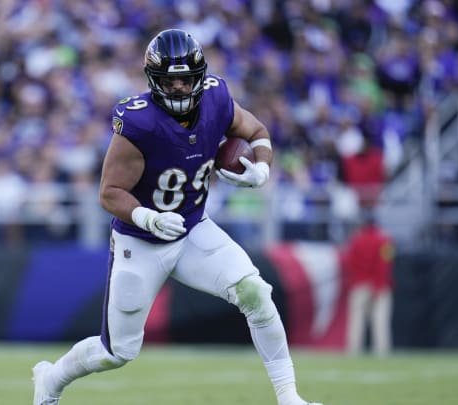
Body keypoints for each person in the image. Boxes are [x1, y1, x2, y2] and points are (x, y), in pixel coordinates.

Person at [32, 29, 322, 405]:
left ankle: (288, 397)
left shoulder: (217, 97)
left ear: (201, 75)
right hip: (142, 241)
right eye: (171, 81)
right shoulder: (140, 123)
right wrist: (148, 218)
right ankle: (50, 380)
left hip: (192, 228)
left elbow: (257, 130)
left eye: (188, 79)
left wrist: (262, 169)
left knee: (255, 292)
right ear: (154, 81)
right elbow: (108, 193)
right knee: (117, 351)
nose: (182, 88)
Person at [342, 210, 395, 356]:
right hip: (380, 285)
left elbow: (349, 263)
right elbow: (385, 264)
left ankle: (353, 351)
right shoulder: (385, 240)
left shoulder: (355, 240)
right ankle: (381, 352)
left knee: (356, 321)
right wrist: (379, 284)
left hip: (359, 285)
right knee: (380, 321)